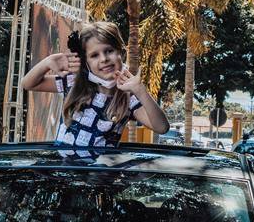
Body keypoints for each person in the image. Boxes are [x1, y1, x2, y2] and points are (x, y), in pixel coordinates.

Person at [20, 21, 169, 147]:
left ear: (121, 53)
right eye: (94, 55)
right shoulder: (74, 82)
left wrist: (140, 90)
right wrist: (47, 62)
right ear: (86, 61)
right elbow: (28, 84)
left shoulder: (128, 97)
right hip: (63, 171)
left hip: (98, 175)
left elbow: (162, 127)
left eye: (109, 51)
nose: (104, 59)